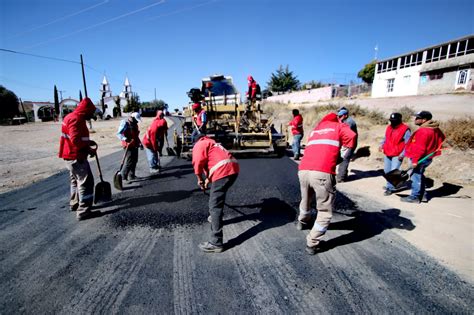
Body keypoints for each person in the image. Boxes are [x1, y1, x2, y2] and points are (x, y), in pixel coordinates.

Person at [297, 112, 357, 255]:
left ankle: (303, 221)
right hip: (322, 172)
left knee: (306, 199)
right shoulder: (338, 126)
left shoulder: (316, 130)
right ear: (337, 118)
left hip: (303, 170)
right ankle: (313, 243)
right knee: (324, 210)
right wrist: (343, 155)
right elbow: (352, 136)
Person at [192, 135, 239, 253]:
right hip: (233, 168)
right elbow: (213, 163)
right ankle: (215, 218)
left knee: (214, 205)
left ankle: (216, 243)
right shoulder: (212, 143)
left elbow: (197, 162)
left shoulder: (199, 144)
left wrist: (199, 178)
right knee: (218, 198)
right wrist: (208, 179)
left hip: (223, 170)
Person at [58, 97, 98, 221]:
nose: (91, 116)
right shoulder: (76, 119)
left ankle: (74, 204)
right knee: (86, 182)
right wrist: (88, 149)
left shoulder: (70, 116)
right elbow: (75, 140)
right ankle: (84, 211)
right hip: (76, 156)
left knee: (75, 181)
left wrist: (88, 141)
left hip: (69, 155)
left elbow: (75, 137)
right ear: (85, 111)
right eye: (90, 113)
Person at [402, 111, 445, 203]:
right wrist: (434, 147)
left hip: (420, 158)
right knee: (420, 175)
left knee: (415, 176)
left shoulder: (423, 131)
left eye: (418, 118)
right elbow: (442, 138)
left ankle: (415, 197)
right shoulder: (435, 128)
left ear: (424, 120)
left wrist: (415, 161)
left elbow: (419, 148)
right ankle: (423, 195)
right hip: (427, 157)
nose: (415, 119)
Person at [379, 112, 411, 195]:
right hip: (388, 152)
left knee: (394, 171)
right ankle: (391, 184)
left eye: (394, 120)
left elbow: (408, 143)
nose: (392, 122)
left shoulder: (405, 129)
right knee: (387, 171)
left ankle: (390, 188)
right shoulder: (389, 127)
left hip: (398, 154)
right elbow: (386, 137)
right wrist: (382, 144)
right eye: (391, 120)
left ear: (399, 120)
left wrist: (403, 154)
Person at [116, 112, 143, 181]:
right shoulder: (125, 123)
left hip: (135, 145)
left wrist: (140, 143)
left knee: (135, 160)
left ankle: (132, 175)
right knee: (129, 161)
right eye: (136, 120)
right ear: (132, 118)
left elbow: (136, 136)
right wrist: (125, 139)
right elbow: (119, 134)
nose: (137, 121)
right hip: (128, 145)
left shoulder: (135, 125)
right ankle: (123, 176)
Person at [142, 110, 168, 174]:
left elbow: (163, 132)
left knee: (155, 153)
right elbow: (153, 141)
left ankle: (155, 165)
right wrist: (156, 148)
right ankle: (152, 168)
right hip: (148, 142)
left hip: (152, 140)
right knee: (152, 154)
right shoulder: (155, 129)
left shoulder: (161, 123)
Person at [336, 107, 358, 182]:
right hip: (344, 143)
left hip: (349, 144)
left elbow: (346, 133)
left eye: (340, 116)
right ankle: (344, 175)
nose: (339, 118)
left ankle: (341, 178)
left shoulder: (349, 122)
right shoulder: (343, 121)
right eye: (338, 116)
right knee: (342, 158)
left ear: (345, 115)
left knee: (344, 160)